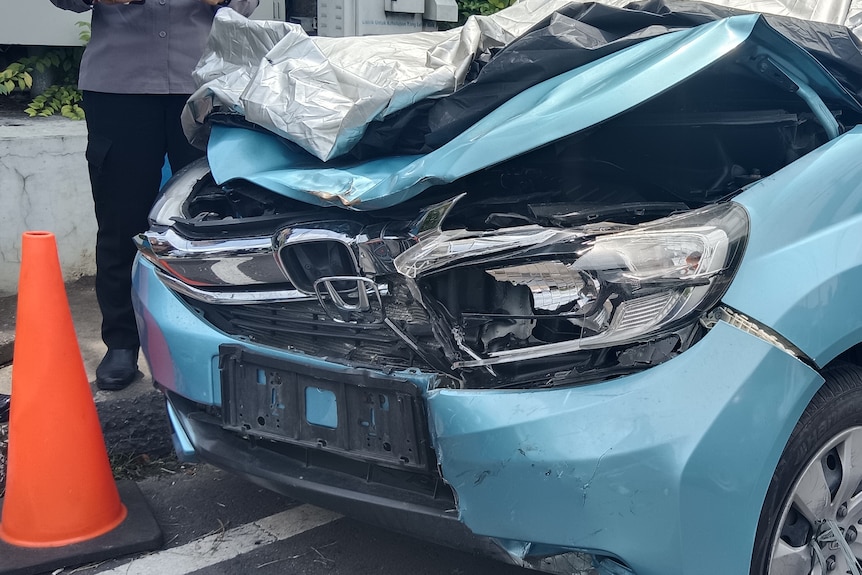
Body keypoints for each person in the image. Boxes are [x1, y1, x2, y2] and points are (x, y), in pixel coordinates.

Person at [51, 0, 259, 390]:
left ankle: (220, 340)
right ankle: (121, 344)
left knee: (214, 225)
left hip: (202, 82)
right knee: (119, 221)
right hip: (118, 86)